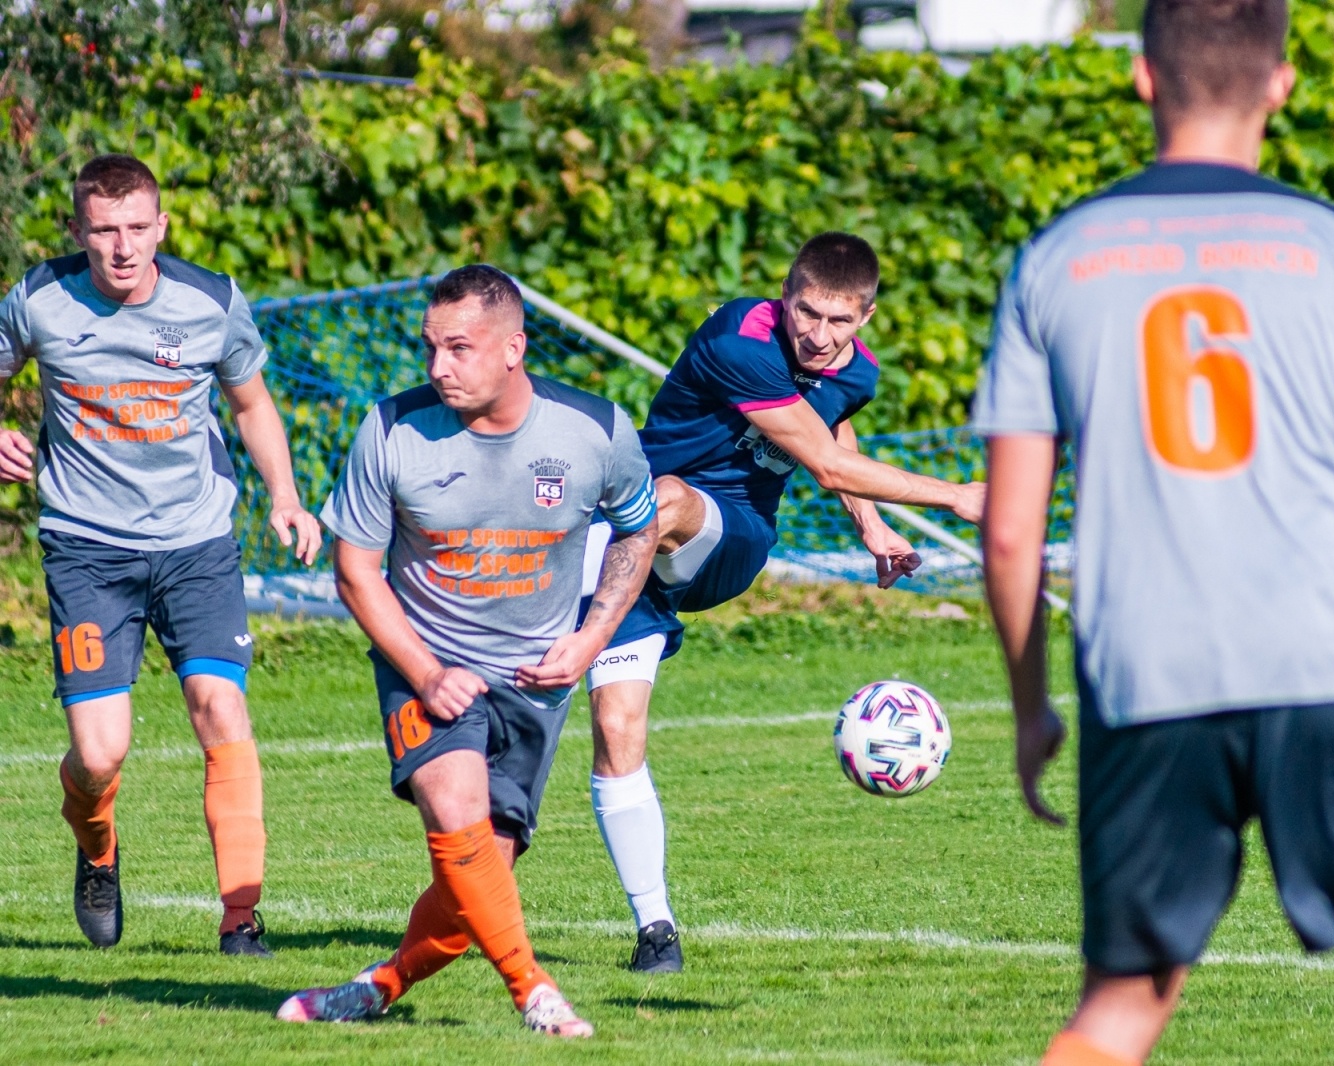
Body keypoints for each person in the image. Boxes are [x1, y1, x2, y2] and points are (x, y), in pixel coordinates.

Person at [973, 1, 1334, 1063]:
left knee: (1120, 1010)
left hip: (1145, 673)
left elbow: (1010, 534)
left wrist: (1031, 708)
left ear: (1140, 79)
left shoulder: (1053, 259)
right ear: (1281, 84)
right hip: (1331, 667)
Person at [578, 232, 986, 972]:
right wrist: (960, 497)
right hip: (621, 554)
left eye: (839, 322)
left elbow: (830, 425)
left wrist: (873, 525)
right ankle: (656, 931)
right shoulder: (740, 337)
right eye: (807, 313)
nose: (819, 335)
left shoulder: (854, 372)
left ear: (865, 317)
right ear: (785, 297)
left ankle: (571, 633)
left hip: (725, 539)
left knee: (665, 500)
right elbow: (828, 462)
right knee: (615, 725)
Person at [278, 265, 658, 1037]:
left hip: (534, 681)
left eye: (460, 348)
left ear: (514, 348)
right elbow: (355, 571)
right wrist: (424, 670)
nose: (438, 367)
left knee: (471, 887)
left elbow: (639, 528)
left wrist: (589, 640)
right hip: (426, 662)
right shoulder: (392, 431)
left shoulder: (596, 431)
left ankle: (374, 989)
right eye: (430, 348)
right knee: (455, 812)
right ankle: (533, 990)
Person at [0, 154, 321, 955]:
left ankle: (241, 919)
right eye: (104, 230)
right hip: (87, 551)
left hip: (197, 544)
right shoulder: (39, 300)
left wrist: (284, 496)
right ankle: (96, 841)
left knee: (221, 709)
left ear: (161, 226)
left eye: (137, 228)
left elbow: (252, 404)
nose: (122, 247)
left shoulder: (209, 303)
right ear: (78, 231)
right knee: (100, 753)